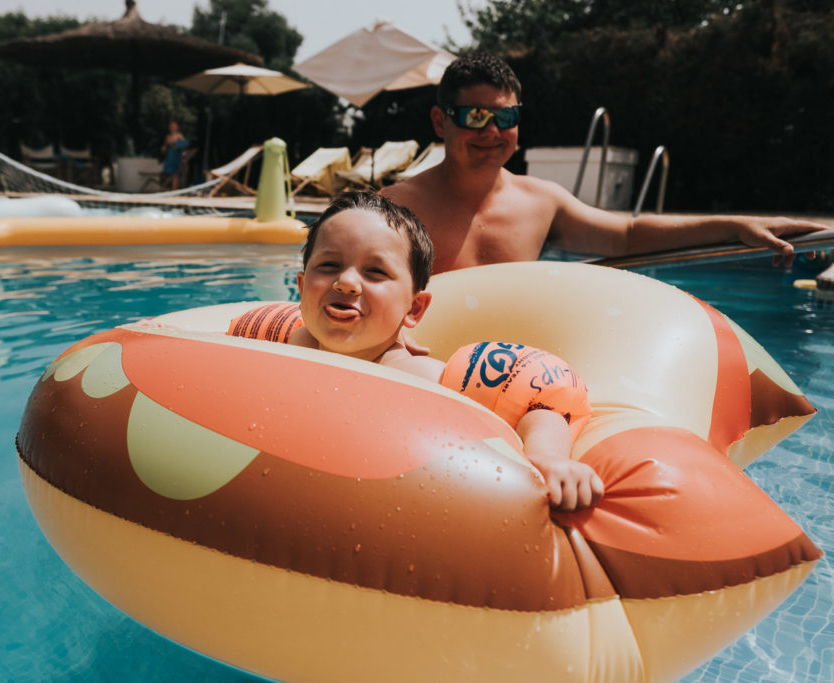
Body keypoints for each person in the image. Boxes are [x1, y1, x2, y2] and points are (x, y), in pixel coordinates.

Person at [287, 191, 604, 511]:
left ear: (413, 309)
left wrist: (547, 456)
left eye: (375, 272)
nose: (346, 283)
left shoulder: (425, 378)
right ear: (300, 288)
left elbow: (537, 408)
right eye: (329, 265)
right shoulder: (289, 345)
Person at [381, 53, 827, 274]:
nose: (492, 132)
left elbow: (628, 234)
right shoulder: (392, 210)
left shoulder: (541, 201)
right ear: (441, 122)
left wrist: (736, 226)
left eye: (506, 117)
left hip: (511, 372)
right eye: (476, 116)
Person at [160, 120, 188, 190]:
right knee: (169, 173)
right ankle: (171, 189)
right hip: (170, 156)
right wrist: (164, 148)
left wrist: (176, 146)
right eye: (171, 126)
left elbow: (184, 144)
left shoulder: (179, 135)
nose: (173, 127)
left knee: (175, 173)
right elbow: (165, 147)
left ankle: (174, 190)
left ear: (177, 127)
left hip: (176, 155)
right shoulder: (168, 137)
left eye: (174, 126)